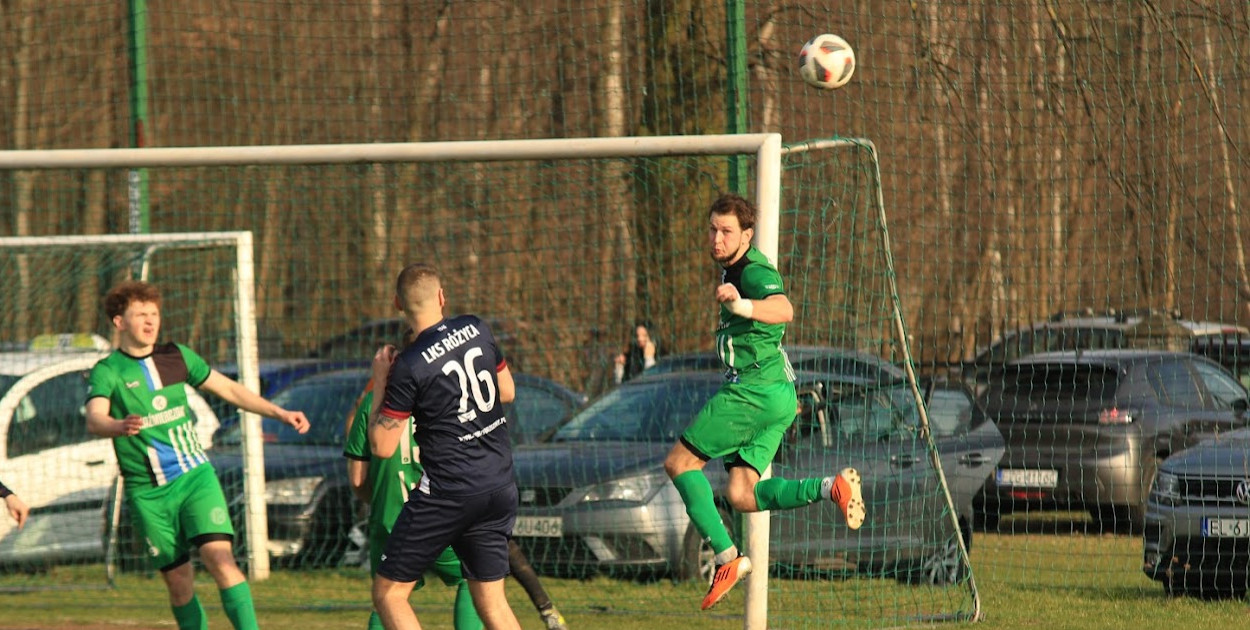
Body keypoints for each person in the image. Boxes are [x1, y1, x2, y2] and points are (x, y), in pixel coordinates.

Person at [663, 193, 866, 611]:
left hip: (752, 391)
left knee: (680, 463)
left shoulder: (753, 271)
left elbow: (784, 309)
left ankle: (726, 557)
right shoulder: (731, 269)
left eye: (727, 231)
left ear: (747, 234)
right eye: (713, 229)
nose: (717, 238)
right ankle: (831, 487)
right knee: (741, 493)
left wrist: (743, 304)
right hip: (777, 393)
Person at [85, 280, 310, 630]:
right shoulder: (108, 370)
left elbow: (229, 388)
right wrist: (116, 425)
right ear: (119, 322)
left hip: (194, 479)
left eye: (154, 314)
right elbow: (95, 417)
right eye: (140, 314)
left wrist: (278, 413)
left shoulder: (177, 356)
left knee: (220, 559)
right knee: (179, 584)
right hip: (147, 492)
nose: (150, 321)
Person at [344, 331, 568, 630]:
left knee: (389, 597)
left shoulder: (372, 404)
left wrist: (381, 500)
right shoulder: (446, 396)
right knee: (474, 581)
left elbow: (358, 480)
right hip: (444, 509)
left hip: (390, 516)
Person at [367, 263, 522, 630]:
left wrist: (379, 382)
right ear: (441, 296)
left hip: (449, 493)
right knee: (492, 600)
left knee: (389, 594)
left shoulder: (409, 364)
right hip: (499, 484)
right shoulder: (476, 327)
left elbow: (383, 446)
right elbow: (508, 391)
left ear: (397, 303)